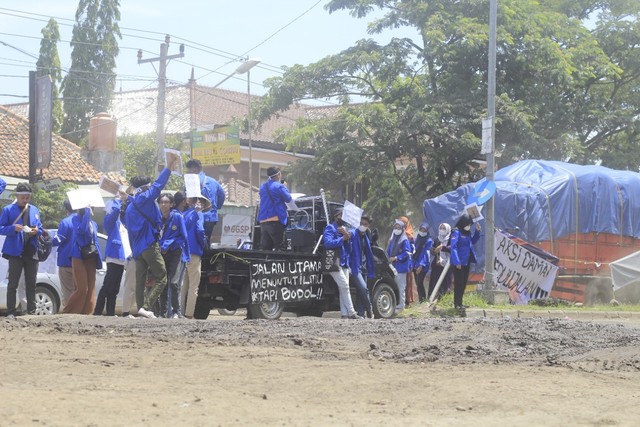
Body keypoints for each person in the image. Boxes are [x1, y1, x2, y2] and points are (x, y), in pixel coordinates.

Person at [124, 166, 173, 319]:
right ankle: (146, 306)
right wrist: (169, 167)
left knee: (140, 280)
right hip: (150, 244)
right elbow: (159, 185)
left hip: (137, 249)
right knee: (162, 276)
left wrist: (134, 251)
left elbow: (129, 232)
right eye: (149, 186)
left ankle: (140, 309)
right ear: (145, 187)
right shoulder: (144, 198)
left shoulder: (130, 207)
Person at [0, 181, 42, 318]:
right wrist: (13, 229)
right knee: (13, 284)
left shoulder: (35, 210)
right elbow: (1, 228)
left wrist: (37, 231)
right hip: (14, 252)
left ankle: (31, 311)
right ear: (17, 196)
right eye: (23, 197)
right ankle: (11, 312)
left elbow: (40, 227)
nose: (25, 200)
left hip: (31, 250)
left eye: (27, 197)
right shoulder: (8, 210)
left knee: (31, 283)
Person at [94, 195, 131, 316]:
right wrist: (117, 200)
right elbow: (115, 211)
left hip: (121, 259)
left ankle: (110, 312)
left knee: (115, 289)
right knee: (107, 287)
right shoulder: (109, 221)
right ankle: (98, 311)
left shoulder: (122, 222)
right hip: (114, 257)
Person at [323, 208, 361, 319]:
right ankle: (352, 312)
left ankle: (344, 314)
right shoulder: (331, 228)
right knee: (344, 286)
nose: (341, 218)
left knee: (343, 288)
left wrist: (347, 238)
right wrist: (342, 238)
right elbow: (328, 243)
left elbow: (349, 247)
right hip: (334, 262)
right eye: (339, 215)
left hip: (344, 262)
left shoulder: (346, 229)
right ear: (335, 217)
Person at [64, 207, 102, 314]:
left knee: (91, 288)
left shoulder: (93, 223)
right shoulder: (75, 219)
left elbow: (94, 240)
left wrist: (98, 257)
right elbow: (82, 231)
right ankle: (69, 311)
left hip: (91, 256)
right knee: (82, 288)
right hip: (78, 255)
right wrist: (86, 215)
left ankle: (87, 313)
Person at [157, 192, 188, 318]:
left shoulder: (177, 217)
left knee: (174, 282)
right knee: (163, 281)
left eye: (166, 202)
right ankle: (163, 312)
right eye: (161, 202)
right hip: (162, 253)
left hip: (175, 252)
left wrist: (170, 244)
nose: (163, 205)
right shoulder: (157, 217)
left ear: (171, 204)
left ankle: (176, 311)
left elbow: (184, 237)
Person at [185, 159, 225, 244]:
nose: (188, 172)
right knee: (206, 242)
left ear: (194, 169)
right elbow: (222, 195)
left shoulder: (192, 181)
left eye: (188, 170)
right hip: (211, 218)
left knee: (194, 244)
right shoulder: (213, 181)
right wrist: (215, 208)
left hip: (196, 217)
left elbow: (188, 201)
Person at [450, 214, 482, 311]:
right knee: (458, 284)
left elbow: (472, 241)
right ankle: (457, 304)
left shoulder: (467, 233)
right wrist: (457, 261)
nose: (469, 226)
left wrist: (477, 231)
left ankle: (460, 303)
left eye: (470, 224)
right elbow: (453, 247)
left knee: (463, 284)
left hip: (466, 262)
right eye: (467, 224)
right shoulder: (456, 232)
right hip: (459, 263)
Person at [181, 196, 206, 319]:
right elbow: (200, 230)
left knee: (183, 284)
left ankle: (179, 312)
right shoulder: (198, 213)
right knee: (193, 285)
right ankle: (189, 314)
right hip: (194, 252)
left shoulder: (184, 214)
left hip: (183, 252)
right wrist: (203, 244)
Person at [257, 166, 292, 251]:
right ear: (278, 175)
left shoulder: (262, 187)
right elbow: (288, 199)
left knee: (266, 248)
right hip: (275, 220)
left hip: (263, 221)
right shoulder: (279, 186)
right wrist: (285, 187)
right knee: (280, 247)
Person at [349, 215, 375, 318]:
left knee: (361, 291)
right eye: (361, 224)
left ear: (368, 226)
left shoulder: (366, 237)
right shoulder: (353, 234)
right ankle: (369, 308)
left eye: (365, 224)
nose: (362, 226)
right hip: (355, 268)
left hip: (364, 267)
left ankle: (361, 314)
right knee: (364, 289)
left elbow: (367, 253)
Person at [52, 199, 76, 307]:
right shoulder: (85, 221)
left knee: (67, 290)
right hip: (80, 261)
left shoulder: (66, 222)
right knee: (78, 289)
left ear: (66, 209)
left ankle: (70, 312)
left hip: (65, 261)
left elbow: (58, 240)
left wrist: (48, 241)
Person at [386, 219, 412, 313]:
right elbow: (388, 250)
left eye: (399, 228)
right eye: (395, 227)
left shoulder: (404, 240)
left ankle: (401, 306)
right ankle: (396, 304)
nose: (397, 229)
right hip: (393, 266)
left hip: (401, 266)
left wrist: (396, 258)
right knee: (395, 286)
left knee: (401, 287)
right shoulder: (393, 239)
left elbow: (407, 253)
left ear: (402, 229)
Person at [428, 222, 453, 301]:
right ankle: (432, 299)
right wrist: (434, 250)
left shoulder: (451, 239)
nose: (442, 230)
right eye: (441, 228)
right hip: (437, 265)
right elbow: (433, 249)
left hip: (447, 264)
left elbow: (452, 249)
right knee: (434, 282)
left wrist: (443, 247)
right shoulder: (437, 239)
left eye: (444, 228)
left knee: (446, 283)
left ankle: (445, 300)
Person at [412, 223, 433, 303]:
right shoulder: (417, 239)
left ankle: (423, 299)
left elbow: (426, 254)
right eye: (421, 230)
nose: (422, 231)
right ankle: (421, 300)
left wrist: (421, 265)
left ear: (427, 231)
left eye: (424, 230)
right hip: (415, 264)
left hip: (423, 265)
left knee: (420, 282)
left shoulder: (429, 240)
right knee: (417, 283)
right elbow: (414, 252)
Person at [399, 216, 417, 306]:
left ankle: (407, 301)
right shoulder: (397, 233)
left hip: (406, 262)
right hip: (398, 261)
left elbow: (411, 250)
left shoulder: (409, 236)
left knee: (407, 282)